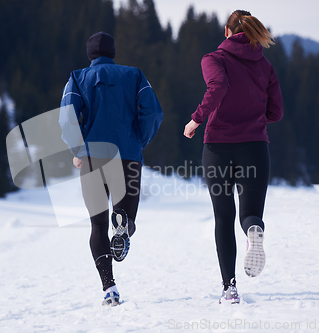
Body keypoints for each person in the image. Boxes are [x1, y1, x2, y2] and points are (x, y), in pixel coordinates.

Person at [183, 10, 283, 304]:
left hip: (218, 148)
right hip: (255, 147)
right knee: (250, 213)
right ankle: (254, 231)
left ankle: (230, 288)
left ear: (227, 31)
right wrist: (251, 116)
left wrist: (196, 120)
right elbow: (275, 112)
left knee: (223, 216)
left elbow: (219, 87)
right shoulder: (265, 65)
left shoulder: (213, 59)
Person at [59, 31, 163, 306]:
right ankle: (124, 224)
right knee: (126, 219)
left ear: (89, 54)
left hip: (92, 158)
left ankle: (109, 288)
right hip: (127, 156)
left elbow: (67, 117)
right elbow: (152, 112)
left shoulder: (77, 78)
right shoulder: (135, 75)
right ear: (113, 52)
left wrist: (77, 149)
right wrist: (140, 139)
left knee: (97, 224)